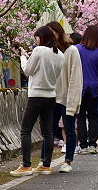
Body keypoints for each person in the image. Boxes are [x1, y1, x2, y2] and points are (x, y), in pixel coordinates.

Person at [11, 26, 64, 176]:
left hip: (36, 96)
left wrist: (23, 57)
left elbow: (27, 71)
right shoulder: (60, 54)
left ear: (42, 38)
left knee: (25, 130)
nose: (36, 41)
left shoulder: (39, 51)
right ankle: (45, 165)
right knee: (47, 132)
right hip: (51, 97)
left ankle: (26, 165)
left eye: (37, 38)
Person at [48, 21, 81, 173]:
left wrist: (73, 101)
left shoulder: (72, 51)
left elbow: (75, 77)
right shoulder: (49, 51)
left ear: (59, 32)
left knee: (69, 129)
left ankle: (68, 161)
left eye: (52, 32)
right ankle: (45, 161)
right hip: (51, 97)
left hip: (66, 97)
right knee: (49, 129)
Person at [75, 26, 98, 155]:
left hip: (80, 87)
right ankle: (92, 145)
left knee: (81, 117)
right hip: (94, 87)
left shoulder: (77, 50)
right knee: (93, 116)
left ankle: (83, 146)